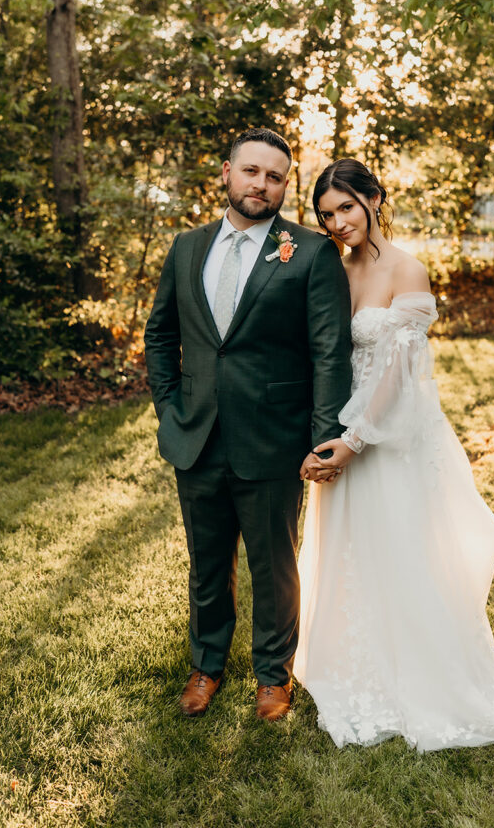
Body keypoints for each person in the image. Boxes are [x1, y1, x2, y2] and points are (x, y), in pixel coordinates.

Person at [297, 158, 494, 751]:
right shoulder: (330, 268)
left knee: (399, 548)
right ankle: (352, 665)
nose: (338, 223)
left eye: (347, 207)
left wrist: (356, 440)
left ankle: (421, 676)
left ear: (374, 199)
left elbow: (399, 371)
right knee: (350, 549)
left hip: (387, 434)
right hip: (339, 426)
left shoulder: (407, 269)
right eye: (327, 214)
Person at [144, 128, 352, 721]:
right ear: (227, 173)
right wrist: (170, 408)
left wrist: (324, 438)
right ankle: (206, 667)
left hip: (274, 439)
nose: (262, 184)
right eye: (252, 171)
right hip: (196, 436)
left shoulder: (309, 251)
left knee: (274, 568)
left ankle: (272, 675)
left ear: (285, 185)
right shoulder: (187, 247)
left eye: (275, 176)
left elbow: (329, 352)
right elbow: (160, 335)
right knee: (207, 564)